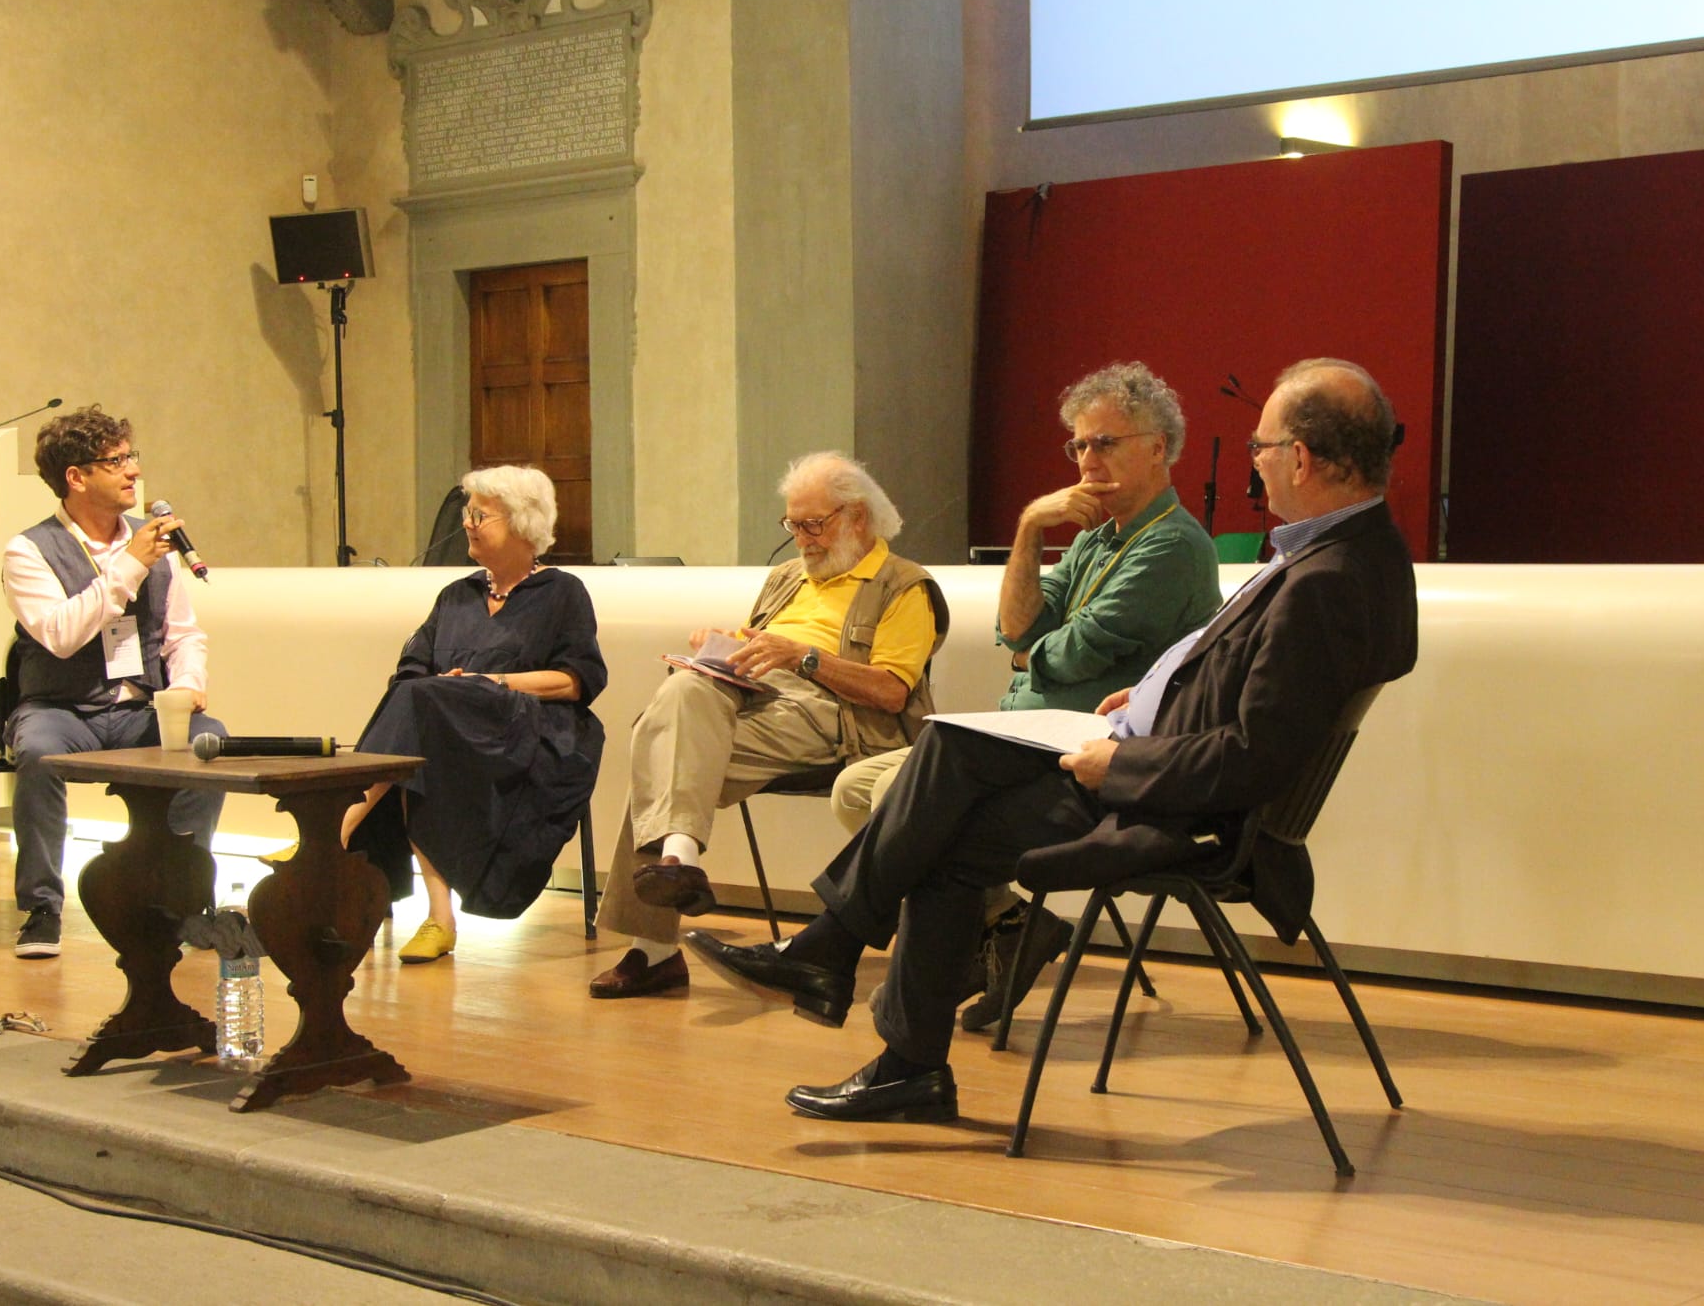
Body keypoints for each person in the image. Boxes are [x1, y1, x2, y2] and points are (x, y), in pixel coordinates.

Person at [686, 359, 1419, 1123]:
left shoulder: (1324, 577)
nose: (1257, 465)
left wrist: (1121, 758)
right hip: (1154, 757)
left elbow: (1250, 755)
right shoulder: (1349, 553)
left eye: (1261, 449)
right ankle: (843, 975)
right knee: (946, 751)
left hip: (1177, 806)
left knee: (942, 821)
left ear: (1299, 458)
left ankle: (858, 996)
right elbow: (1031, 635)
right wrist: (1154, 689)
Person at [829, 361, 1220, 1031]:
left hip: (1087, 760)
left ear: (1157, 448)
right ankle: (1007, 923)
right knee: (856, 787)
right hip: (1027, 742)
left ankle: (887, 962)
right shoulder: (1099, 535)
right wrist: (1030, 527)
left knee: (908, 802)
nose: (1086, 460)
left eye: (1105, 443)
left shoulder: (1174, 546)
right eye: (1078, 445)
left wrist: (1030, 651)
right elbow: (1017, 626)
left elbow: (1061, 653)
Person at [588, 452, 947, 1000]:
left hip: (841, 717)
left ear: (858, 518)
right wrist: (720, 646)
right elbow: (757, 648)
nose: (801, 539)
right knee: (683, 692)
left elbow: (891, 692)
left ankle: (656, 946)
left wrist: (803, 657)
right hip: (757, 701)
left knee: (660, 748)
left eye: (813, 524)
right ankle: (678, 858)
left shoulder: (904, 586)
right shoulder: (787, 578)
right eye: (792, 525)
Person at [343, 465, 607, 963]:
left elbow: (576, 681)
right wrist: (447, 695)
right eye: (468, 512)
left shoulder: (561, 592)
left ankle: (338, 824)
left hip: (530, 734)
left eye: (479, 515)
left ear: (523, 524)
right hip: (450, 733)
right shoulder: (456, 595)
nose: (467, 523)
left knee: (423, 711)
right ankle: (438, 918)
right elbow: (411, 671)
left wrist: (491, 684)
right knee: (420, 708)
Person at [1, 406, 225, 958]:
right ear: (76, 477)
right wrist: (127, 567)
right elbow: (58, 634)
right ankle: (42, 909)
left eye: (132, 457)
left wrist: (189, 682)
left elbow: (182, 634)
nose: (132, 471)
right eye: (116, 461)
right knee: (36, 753)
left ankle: (181, 899)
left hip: (134, 709)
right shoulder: (28, 550)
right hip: (61, 708)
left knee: (209, 742)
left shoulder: (157, 547)